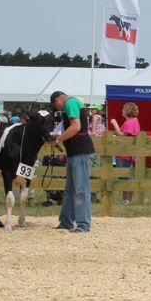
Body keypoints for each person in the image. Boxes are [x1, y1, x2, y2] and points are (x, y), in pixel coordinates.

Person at [49, 91, 95, 233]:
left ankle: (83, 224)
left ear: (58, 100)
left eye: (57, 107)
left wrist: (59, 138)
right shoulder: (73, 103)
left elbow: (75, 126)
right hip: (76, 152)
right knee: (70, 190)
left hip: (80, 151)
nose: (60, 110)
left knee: (80, 189)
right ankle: (66, 222)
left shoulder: (70, 103)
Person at [109, 102, 141, 205]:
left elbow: (122, 135)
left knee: (126, 176)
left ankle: (128, 200)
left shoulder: (131, 121)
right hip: (125, 153)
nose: (122, 111)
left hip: (126, 154)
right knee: (124, 176)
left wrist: (114, 123)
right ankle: (125, 200)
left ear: (127, 110)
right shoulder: (132, 121)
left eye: (123, 109)